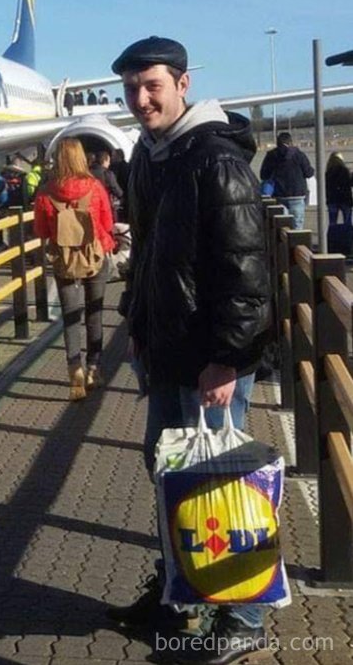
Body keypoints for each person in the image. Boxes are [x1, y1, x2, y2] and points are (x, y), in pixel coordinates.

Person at [109, 36, 271, 664]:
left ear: (182, 84)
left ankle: (245, 616)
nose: (140, 98)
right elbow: (151, 256)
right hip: (168, 352)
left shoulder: (214, 160)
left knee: (222, 486)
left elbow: (246, 274)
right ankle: (179, 598)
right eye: (131, 88)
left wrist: (227, 359)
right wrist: (138, 327)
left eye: (151, 85)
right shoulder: (153, 156)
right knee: (172, 476)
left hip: (210, 361)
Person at [34, 138, 115, 401]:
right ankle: (94, 368)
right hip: (95, 256)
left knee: (70, 318)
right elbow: (107, 222)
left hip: (64, 259)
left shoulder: (46, 192)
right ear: (82, 158)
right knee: (95, 312)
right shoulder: (95, 186)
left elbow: (41, 231)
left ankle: (74, 373)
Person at [259, 131, 314, 230]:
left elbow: (264, 175)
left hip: (279, 195)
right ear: (290, 142)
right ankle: (297, 244)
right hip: (297, 195)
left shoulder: (271, 155)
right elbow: (309, 173)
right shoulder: (299, 155)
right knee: (297, 227)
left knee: (282, 227)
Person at [90, 149, 124, 222]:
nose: (109, 163)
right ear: (104, 161)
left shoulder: (88, 172)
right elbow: (117, 191)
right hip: (105, 204)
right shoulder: (107, 174)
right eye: (108, 161)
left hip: (91, 204)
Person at [325, 151, 352, 226]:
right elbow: (350, 182)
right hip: (345, 199)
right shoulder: (345, 171)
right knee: (347, 221)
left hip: (332, 199)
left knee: (332, 222)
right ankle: (347, 236)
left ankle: (333, 236)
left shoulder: (328, 172)